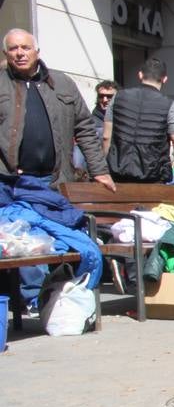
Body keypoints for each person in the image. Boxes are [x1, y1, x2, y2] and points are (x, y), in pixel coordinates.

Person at [1, 27, 110, 307]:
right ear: (6, 54)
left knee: (51, 241)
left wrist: (99, 169)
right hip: (10, 182)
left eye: (25, 47)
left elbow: (85, 127)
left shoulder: (61, 83)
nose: (20, 53)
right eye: (13, 48)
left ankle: (49, 300)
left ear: (37, 51)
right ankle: (30, 302)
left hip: (51, 180)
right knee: (24, 243)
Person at [101, 58, 174, 193]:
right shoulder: (170, 106)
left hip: (118, 173)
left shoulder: (118, 97)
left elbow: (106, 137)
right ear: (165, 79)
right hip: (153, 176)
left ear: (140, 75)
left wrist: (102, 169)